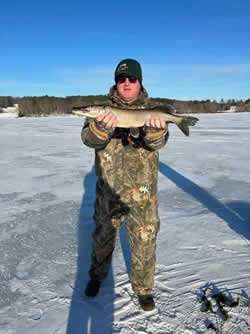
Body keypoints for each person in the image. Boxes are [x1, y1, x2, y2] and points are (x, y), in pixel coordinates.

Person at [81, 58, 169, 311]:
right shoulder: (103, 111)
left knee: (145, 241)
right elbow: (89, 139)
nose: (127, 83)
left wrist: (155, 132)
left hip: (143, 194)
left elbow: (158, 143)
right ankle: (96, 278)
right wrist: (99, 128)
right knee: (102, 238)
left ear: (139, 82)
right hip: (108, 192)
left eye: (132, 79)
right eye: (122, 79)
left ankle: (143, 289)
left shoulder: (151, 109)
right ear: (116, 84)